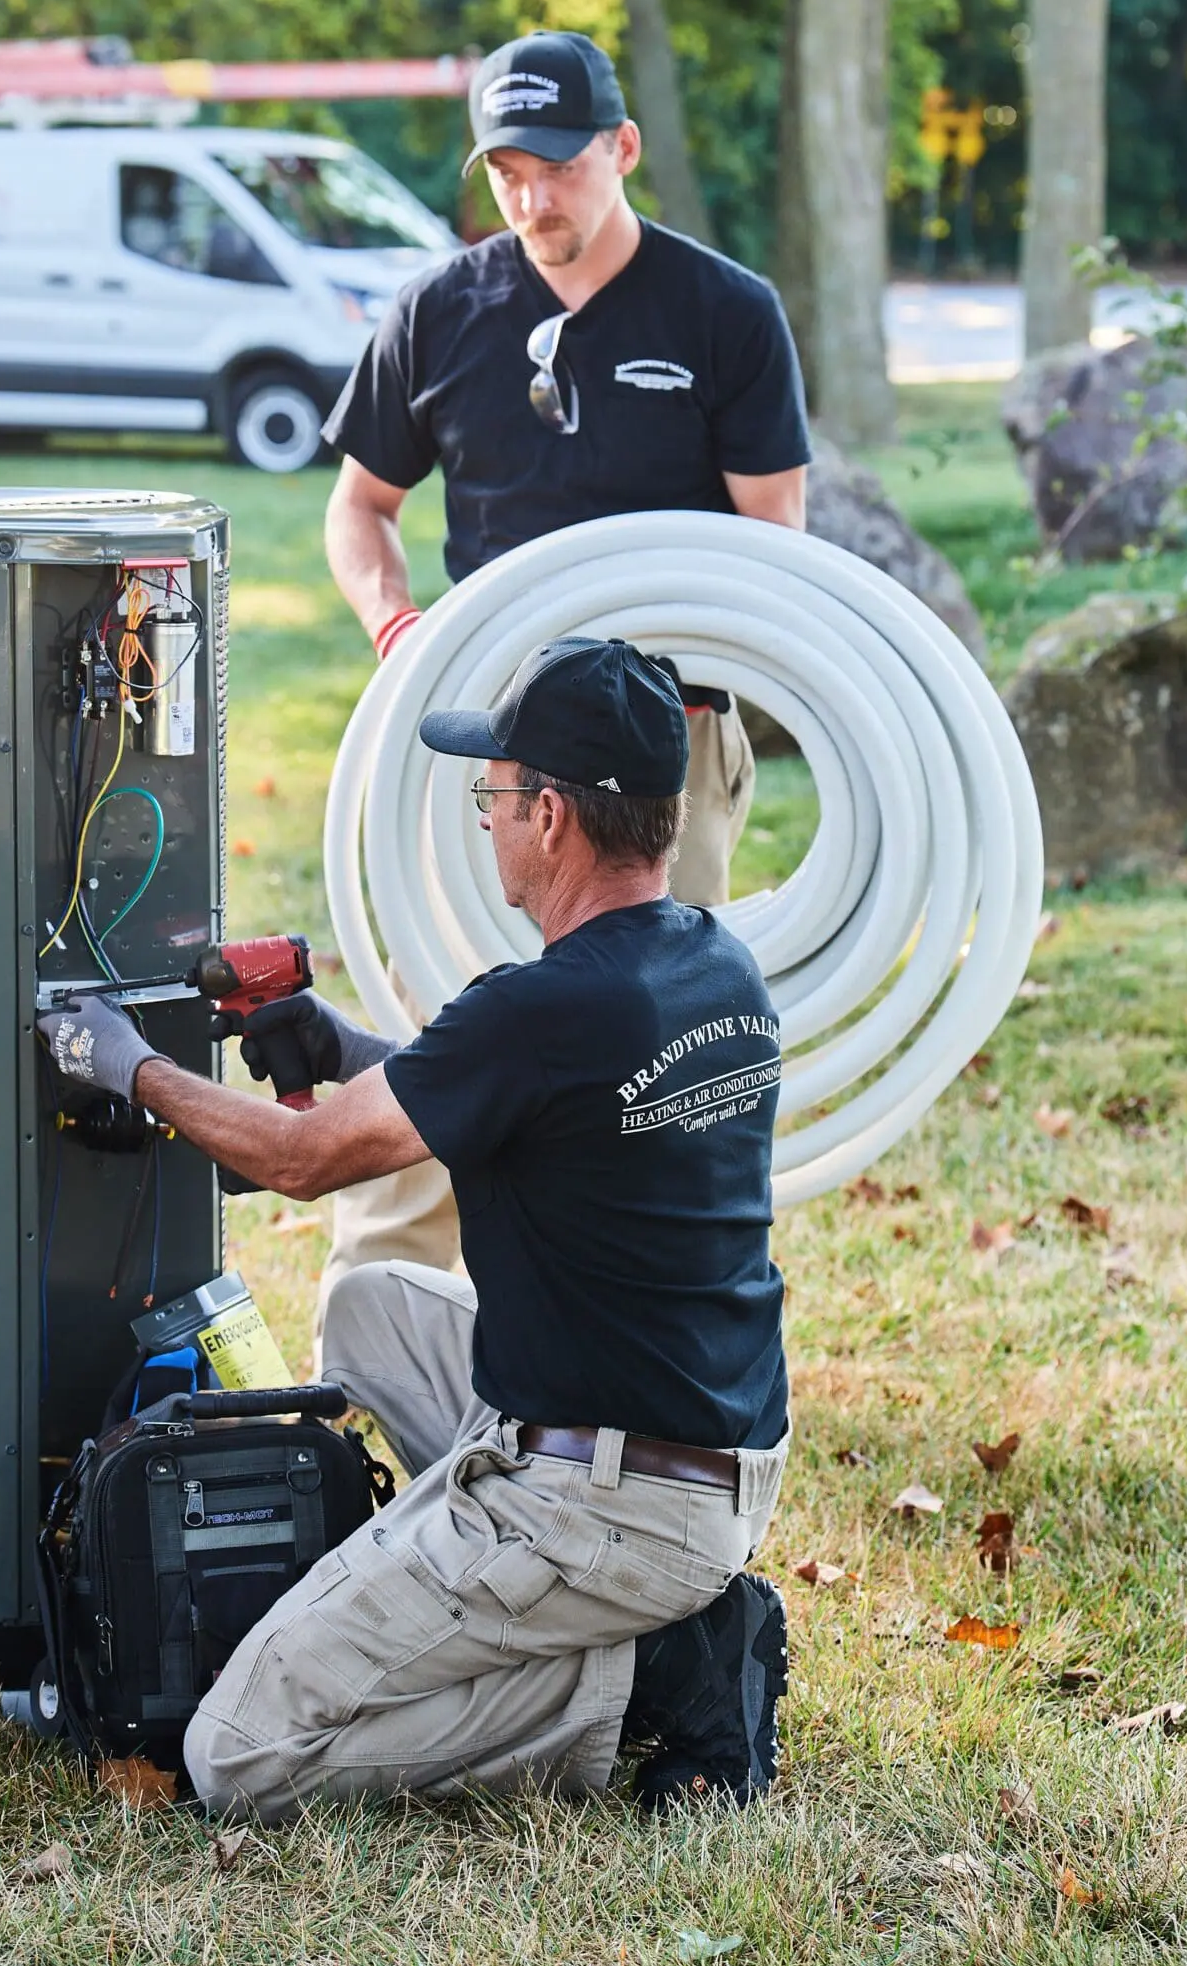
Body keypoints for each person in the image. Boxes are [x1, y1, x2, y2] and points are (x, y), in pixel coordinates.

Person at [40, 636, 790, 1822]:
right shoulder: (714, 967)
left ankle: (652, 1672)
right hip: (716, 1459)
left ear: (552, 816)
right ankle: (544, 1597)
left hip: (602, 1500)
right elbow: (525, 1101)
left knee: (239, 1751)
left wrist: (124, 1062)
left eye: (493, 795)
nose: (486, 819)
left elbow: (299, 1160)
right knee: (370, 1307)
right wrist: (339, 1047)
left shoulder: (540, 1009)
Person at [318, 28, 811, 1304]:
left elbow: (777, 544)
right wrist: (397, 626)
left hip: (663, 743)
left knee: (656, 1048)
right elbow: (358, 507)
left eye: (559, 165)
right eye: (507, 171)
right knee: (441, 1008)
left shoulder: (724, 313)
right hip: (493, 736)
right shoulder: (443, 309)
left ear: (623, 148)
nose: (533, 198)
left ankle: (644, 1323)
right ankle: (384, 1313)